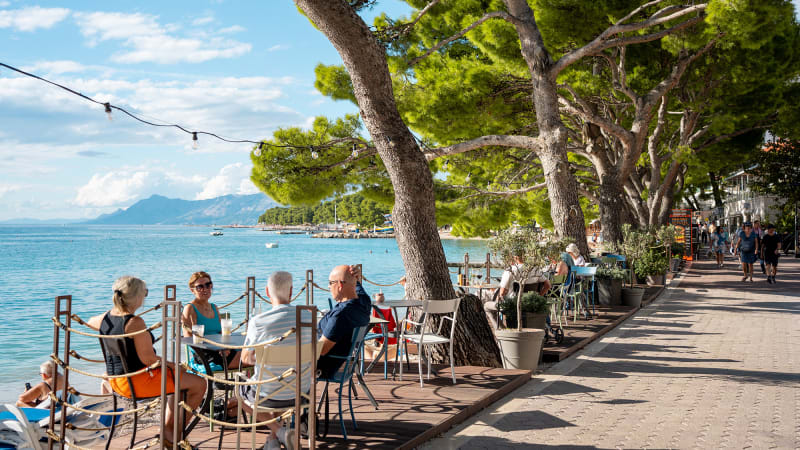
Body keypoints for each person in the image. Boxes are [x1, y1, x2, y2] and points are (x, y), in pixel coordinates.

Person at [88, 276, 206, 445]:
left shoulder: (105, 318)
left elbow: (90, 322)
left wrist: (113, 315)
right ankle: (175, 434)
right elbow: (148, 359)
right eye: (145, 293)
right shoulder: (135, 322)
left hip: (116, 381)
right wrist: (175, 365)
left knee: (181, 382)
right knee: (199, 384)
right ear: (137, 296)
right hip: (136, 382)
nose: (145, 297)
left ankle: (169, 431)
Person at [224, 271, 311, 450]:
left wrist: (266, 357)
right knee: (281, 378)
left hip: (268, 395)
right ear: (291, 291)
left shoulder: (259, 322)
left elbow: (246, 358)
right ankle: (272, 441)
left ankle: (279, 431)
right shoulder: (308, 317)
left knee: (239, 390)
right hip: (301, 392)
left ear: (267, 292)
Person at [317, 265, 371, 379]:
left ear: (340, 285)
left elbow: (321, 350)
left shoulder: (340, 316)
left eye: (330, 283)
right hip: (339, 361)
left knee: (280, 357)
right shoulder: (364, 302)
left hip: (320, 367)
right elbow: (355, 287)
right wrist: (356, 277)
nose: (328, 286)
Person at [182, 271, 241, 372]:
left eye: (208, 285)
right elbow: (188, 339)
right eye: (200, 287)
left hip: (221, 349)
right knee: (250, 357)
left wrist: (225, 347)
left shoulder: (214, 307)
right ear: (192, 290)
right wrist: (215, 348)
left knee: (251, 351)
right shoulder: (190, 308)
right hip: (204, 354)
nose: (205, 289)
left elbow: (221, 333)